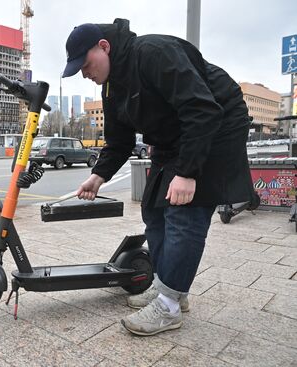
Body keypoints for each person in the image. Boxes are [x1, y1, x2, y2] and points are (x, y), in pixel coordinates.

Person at [63, 19, 255, 336]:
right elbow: (119, 142)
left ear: (104, 47)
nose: (85, 74)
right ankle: (170, 288)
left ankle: (168, 306)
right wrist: (98, 176)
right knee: (153, 208)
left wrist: (188, 173)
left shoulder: (153, 53)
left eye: (85, 65)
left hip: (216, 122)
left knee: (184, 210)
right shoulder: (111, 87)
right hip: (173, 137)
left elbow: (201, 109)